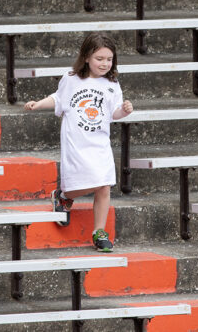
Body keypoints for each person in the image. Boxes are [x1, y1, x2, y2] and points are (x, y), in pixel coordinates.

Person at [23, 32, 134, 252]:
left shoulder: (112, 83)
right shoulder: (72, 79)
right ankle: (63, 197)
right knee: (79, 185)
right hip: (77, 143)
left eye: (109, 59)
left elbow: (114, 112)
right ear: (86, 57)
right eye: (99, 59)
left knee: (104, 185)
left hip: (99, 143)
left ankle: (99, 232)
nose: (104, 64)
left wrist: (124, 110)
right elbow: (58, 98)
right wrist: (39, 104)